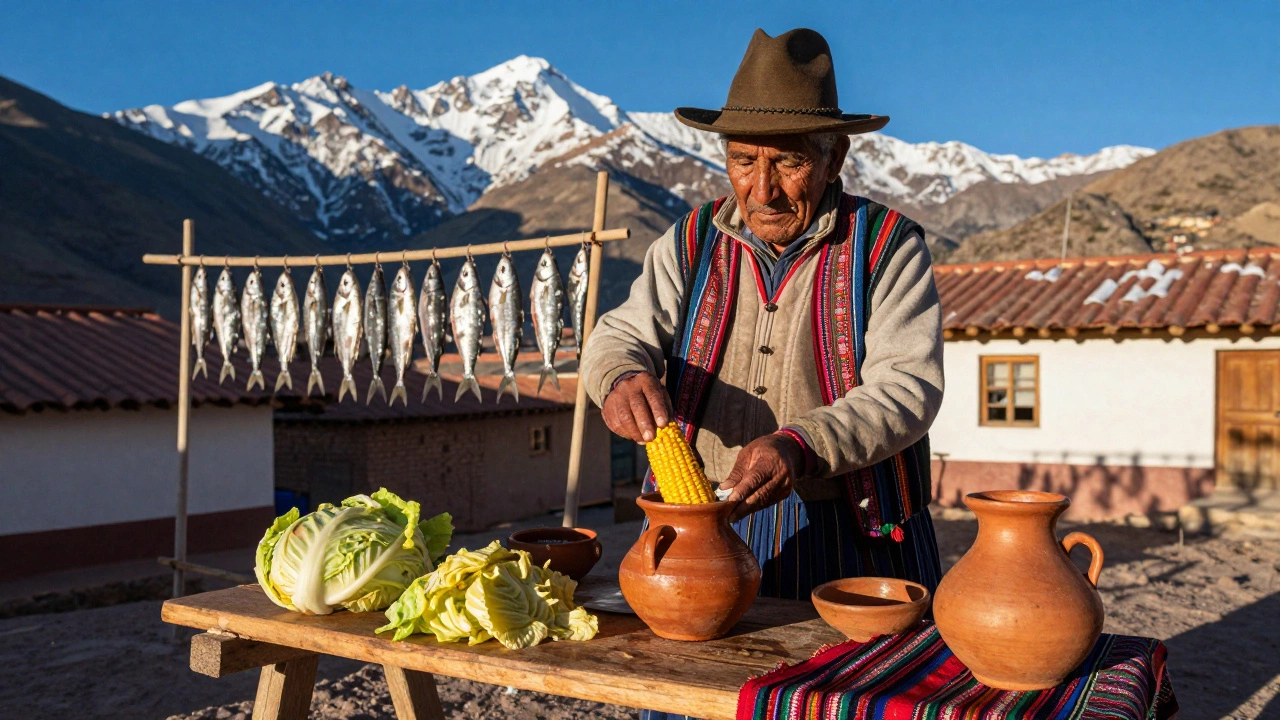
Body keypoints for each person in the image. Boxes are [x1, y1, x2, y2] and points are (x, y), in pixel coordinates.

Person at [580, 28, 943, 717]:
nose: (763, 189)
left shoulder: (889, 248)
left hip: (853, 536)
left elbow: (908, 388)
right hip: (702, 535)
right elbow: (618, 335)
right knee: (697, 700)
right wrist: (620, 376)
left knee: (849, 702)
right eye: (743, 160)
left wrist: (801, 443)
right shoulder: (688, 244)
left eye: (789, 163)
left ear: (834, 157)